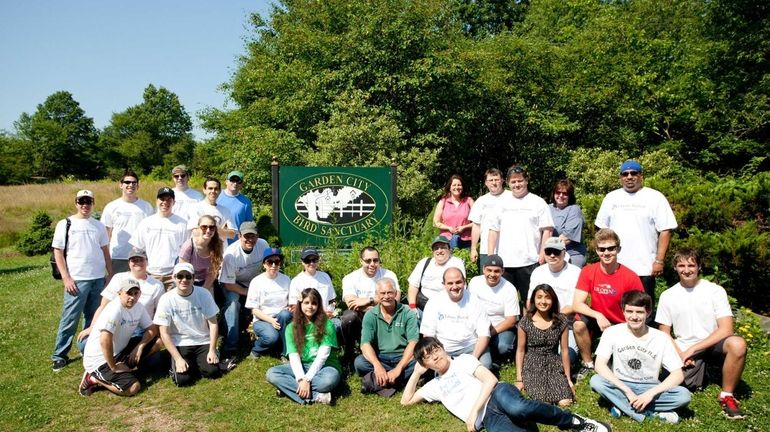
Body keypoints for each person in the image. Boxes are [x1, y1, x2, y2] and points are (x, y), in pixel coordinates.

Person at [401, 337, 612, 432]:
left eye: (436, 349)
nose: (435, 356)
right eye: (428, 357)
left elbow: (490, 380)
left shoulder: (463, 360)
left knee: (518, 407)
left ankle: (573, 421)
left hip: (497, 394)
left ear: (443, 348)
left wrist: (473, 413)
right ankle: (529, 422)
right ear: (424, 363)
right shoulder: (435, 385)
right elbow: (406, 401)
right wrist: (416, 373)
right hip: (489, 419)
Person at [655, 248, 748, 419]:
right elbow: (664, 333)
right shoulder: (668, 295)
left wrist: (694, 349)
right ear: (675, 267)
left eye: (691, 265)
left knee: (738, 344)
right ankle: (702, 373)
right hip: (684, 347)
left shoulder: (715, 290)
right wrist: (681, 354)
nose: (686, 270)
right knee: (679, 385)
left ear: (699, 267)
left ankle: (727, 395)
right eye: (681, 265)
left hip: (714, 344)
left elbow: (726, 329)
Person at [590, 291, 691, 423]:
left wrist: (649, 394)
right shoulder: (612, 332)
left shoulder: (661, 338)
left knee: (683, 396)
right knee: (596, 381)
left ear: (648, 313)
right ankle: (649, 414)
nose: (634, 317)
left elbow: (678, 374)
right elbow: (599, 365)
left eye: (639, 312)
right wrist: (627, 391)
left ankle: (621, 405)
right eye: (630, 311)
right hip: (621, 383)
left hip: (649, 386)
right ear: (623, 312)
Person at [595, 159, 677, 303]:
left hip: (644, 266)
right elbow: (602, 231)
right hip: (615, 265)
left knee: (643, 307)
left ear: (641, 176)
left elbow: (665, 230)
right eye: (625, 174)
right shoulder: (611, 198)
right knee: (615, 306)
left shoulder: (655, 197)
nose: (629, 177)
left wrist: (659, 260)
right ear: (621, 177)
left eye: (634, 173)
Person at [51, 189, 113, 372]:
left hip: (97, 278)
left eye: (88, 201)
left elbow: (105, 252)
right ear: (76, 203)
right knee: (70, 318)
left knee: (93, 318)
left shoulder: (98, 225)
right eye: (81, 201)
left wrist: (109, 274)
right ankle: (59, 355)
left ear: (93, 203)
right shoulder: (66, 224)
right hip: (77, 280)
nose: (85, 205)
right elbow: (58, 252)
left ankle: (86, 349)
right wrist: (66, 278)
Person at [572, 228, 644, 375]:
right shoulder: (588, 271)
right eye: (601, 249)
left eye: (611, 248)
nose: (606, 253)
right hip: (598, 320)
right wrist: (598, 315)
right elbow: (577, 304)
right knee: (578, 325)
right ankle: (588, 363)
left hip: (621, 322)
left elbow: (640, 308)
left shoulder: (631, 277)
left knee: (619, 368)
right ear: (597, 251)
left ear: (618, 249)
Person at [78, 278, 158, 397]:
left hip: (118, 351)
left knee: (158, 342)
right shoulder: (115, 309)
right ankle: (93, 378)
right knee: (133, 388)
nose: (132, 297)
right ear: (119, 293)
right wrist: (113, 367)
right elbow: (105, 340)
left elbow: (152, 330)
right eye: (129, 293)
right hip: (100, 360)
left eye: (136, 293)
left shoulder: (139, 307)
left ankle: (124, 367)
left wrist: (139, 347)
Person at [77, 248, 164, 353]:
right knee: (83, 344)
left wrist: (157, 334)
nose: (138, 263)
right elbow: (103, 305)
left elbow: (159, 313)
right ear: (129, 263)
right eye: (134, 260)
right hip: (114, 324)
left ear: (147, 261)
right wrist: (92, 327)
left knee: (128, 349)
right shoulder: (118, 278)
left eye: (141, 259)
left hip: (138, 328)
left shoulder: (156, 285)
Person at [488, 165, 554, 304]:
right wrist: (490, 255)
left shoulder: (538, 202)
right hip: (505, 262)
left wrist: (542, 254)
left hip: (530, 261)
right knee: (505, 301)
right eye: (513, 182)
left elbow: (547, 230)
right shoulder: (501, 203)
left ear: (526, 181)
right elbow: (493, 230)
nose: (517, 184)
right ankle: (510, 326)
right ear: (508, 183)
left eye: (520, 181)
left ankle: (529, 325)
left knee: (530, 301)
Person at [266, 288, 342, 405]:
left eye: (314, 303)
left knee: (329, 380)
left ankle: (288, 388)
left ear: (319, 305)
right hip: (303, 366)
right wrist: (301, 379)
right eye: (306, 303)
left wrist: (307, 380)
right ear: (300, 304)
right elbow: (294, 356)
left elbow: (323, 356)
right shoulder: (291, 327)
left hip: (325, 367)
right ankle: (317, 396)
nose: (310, 306)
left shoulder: (327, 324)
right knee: (272, 374)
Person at [154, 262, 222, 387]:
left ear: (193, 278)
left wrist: (212, 350)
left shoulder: (204, 294)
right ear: (174, 278)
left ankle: (200, 361)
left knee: (213, 372)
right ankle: (174, 360)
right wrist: (178, 359)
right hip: (180, 342)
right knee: (183, 380)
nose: (184, 280)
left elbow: (213, 324)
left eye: (188, 276)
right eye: (180, 276)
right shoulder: (166, 299)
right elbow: (164, 332)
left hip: (203, 340)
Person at [355, 278, 419, 397]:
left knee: (422, 361)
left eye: (390, 292)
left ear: (395, 293)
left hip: (403, 357)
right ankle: (401, 380)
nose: (386, 296)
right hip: (381, 358)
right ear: (377, 295)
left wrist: (399, 368)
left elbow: (413, 343)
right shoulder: (370, 315)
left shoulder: (407, 312)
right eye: (382, 293)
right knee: (359, 363)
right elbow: (365, 344)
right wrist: (377, 366)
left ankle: (376, 381)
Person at [218, 221, 270, 364]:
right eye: (246, 236)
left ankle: (266, 339)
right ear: (239, 236)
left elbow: (269, 266)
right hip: (233, 284)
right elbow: (228, 284)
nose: (249, 240)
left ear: (257, 236)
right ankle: (230, 348)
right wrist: (249, 292)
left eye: (252, 236)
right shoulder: (231, 254)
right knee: (233, 304)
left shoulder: (263, 245)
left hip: (255, 283)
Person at [420, 268, 492, 369]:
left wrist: (473, 359)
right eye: (450, 283)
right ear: (444, 284)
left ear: (464, 282)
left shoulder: (475, 301)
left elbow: (484, 335)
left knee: (485, 365)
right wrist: (441, 356)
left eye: (458, 282)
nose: (455, 287)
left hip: (471, 346)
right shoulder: (434, 302)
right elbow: (428, 336)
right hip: (444, 349)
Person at [516, 284, 574, 407]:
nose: (543, 301)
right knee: (544, 403)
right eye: (539, 297)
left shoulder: (561, 320)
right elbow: (520, 351)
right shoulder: (525, 322)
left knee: (565, 402)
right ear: (533, 300)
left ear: (553, 300)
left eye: (547, 297)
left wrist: (568, 379)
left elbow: (564, 350)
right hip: (533, 365)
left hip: (554, 363)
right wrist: (519, 378)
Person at [340, 246, 399, 366]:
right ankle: (350, 351)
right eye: (368, 261)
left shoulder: (389, 275)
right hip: (360, 316)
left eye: (375, 260)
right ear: (361, 261)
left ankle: (385, 352)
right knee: (348, 318)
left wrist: (368, 301)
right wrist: (378, 300)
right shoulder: (350, 278)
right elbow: (351, 303)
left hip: (383, 315)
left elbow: (395, 299)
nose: (372, 264)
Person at [528, 237, 582, 364]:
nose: (552, 255)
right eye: (548, 251)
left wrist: (554, 319)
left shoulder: (575, 272)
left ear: (564, 252)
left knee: (566, 358)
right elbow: (530, 301)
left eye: (556, 252)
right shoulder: (538, 271)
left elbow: (575, 304)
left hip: (566, 324)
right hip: (542, 322)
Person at [130, 187, 189, 290]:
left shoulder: (182, 224)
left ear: (174, 202)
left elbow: (187, 251)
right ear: (157, 200)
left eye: (168, 200)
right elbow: (137, 249)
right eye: (162, 199)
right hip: (150, 274)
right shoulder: (146, 223)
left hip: (173, 275)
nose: (165, 202)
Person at [466, 254, 519, 365]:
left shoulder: (509, 289)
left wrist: (489, 333)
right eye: (489, 270)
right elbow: (468, 306)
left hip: (499, 328)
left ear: (502, 271)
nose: (492, 274)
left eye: (496, 271)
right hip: (478, 325)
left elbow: (511, 320)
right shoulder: (475, 282)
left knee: (503, 347)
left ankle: (498, 360)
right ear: (483, 269)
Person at [101, 169, 154, 273]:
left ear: (138, 186)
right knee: (118, 288)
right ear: (121, 185)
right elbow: (106, 234)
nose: (131, 185)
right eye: (127, 182)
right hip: (118, 257)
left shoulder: (147, 207)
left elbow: (151, 232)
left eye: (134, 183)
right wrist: (106, 258)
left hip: (140, 256)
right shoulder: (111, 207)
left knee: (139, 288)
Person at [245, 248, 292, 359]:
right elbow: (254, 310)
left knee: (285, 315)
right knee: (272, 338)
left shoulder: (286, 280)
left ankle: (283, 353)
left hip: (282, 318)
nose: (274, 265)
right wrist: (271, 320)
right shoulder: (256, 282)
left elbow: (291, 303)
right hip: (262, 319)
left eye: (277, 262)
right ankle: (256, 349)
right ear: (264, 265)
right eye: (270, 262)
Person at [406, 236, 465, 314]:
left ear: (449, 250)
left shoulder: (456, 263)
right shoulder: (425, 262)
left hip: (447, 307)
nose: (439, 251)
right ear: (432, 252)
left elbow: (460, 286)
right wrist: (412, 307)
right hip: (423, 306)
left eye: (443, 247)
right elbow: (413, 286)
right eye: (436, 248)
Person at [179, 214, 224, 295]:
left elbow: (213, 272)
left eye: (211, 227)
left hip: (206, 281)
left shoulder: (218, 245)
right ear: (198, 228)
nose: (208, 230)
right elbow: (183, 272)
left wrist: (203, 290)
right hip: (187, 279)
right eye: (204, 227)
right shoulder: (188, 246)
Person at [469, 168, 506, 265]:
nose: (494, 183)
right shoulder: (481, 201)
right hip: (486, 250)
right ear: (486, 183)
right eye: (490, 180)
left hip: (508, 250)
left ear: (502, 180)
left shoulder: (511, 197)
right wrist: (473, 248)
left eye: (497, 179)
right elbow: (476, 226)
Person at [288, 248, 337, 318]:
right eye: (308, 260)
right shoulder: (296, 281)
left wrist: (330, 311)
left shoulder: (325, 277)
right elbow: (293, 307)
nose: (311, 263)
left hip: (326, 318)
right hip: (305, 319)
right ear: (302, 262)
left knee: (337, 325)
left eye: (314, 260)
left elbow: (332, 300)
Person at [549, 179, 587, 268]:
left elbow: (567, 237)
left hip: (571, 255)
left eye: (565, 193)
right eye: (558, 192)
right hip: (551, 254)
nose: (561, 195)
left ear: (570, 196)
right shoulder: (547, 208)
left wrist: (547, 249)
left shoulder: (574, 209)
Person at [433, 174, 474, 249]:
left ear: (462, 187)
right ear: (450, 187)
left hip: (466, 241)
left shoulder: (469, 201)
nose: (457, 187)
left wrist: (464, 227)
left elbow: (478, 222)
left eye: (459, 185)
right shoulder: (443, 202)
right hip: (446, 241)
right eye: (454, 185)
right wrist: (449, 228)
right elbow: (436, 222)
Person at [216, 170, 254, 245]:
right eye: (232, 180)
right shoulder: (216, 196)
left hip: (236, 243)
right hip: (217, 240)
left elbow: (248, 224)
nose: (235, 183)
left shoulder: (246, 202)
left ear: (242, 184)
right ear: (226, 182)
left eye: (238, 181)